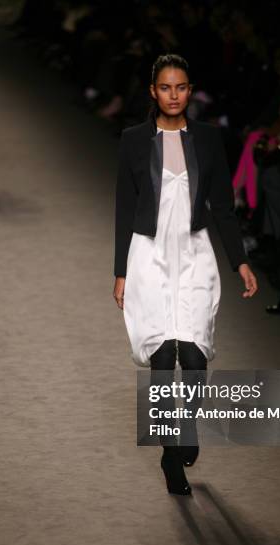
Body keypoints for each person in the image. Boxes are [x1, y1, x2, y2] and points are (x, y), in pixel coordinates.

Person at [112, 54, 258, 496]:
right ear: (153, 92)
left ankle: (188, 424)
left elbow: (223, 208)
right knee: (161, 355)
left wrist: (241, 262)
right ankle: (169, 452)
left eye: (180, 87)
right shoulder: (134, 140)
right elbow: (123, 207)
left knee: (194, 355)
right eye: (164, 87)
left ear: (189, 90)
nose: (172, 95)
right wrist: (120, 271)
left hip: (195, 253)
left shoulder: (209, 140)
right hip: (149, 253)